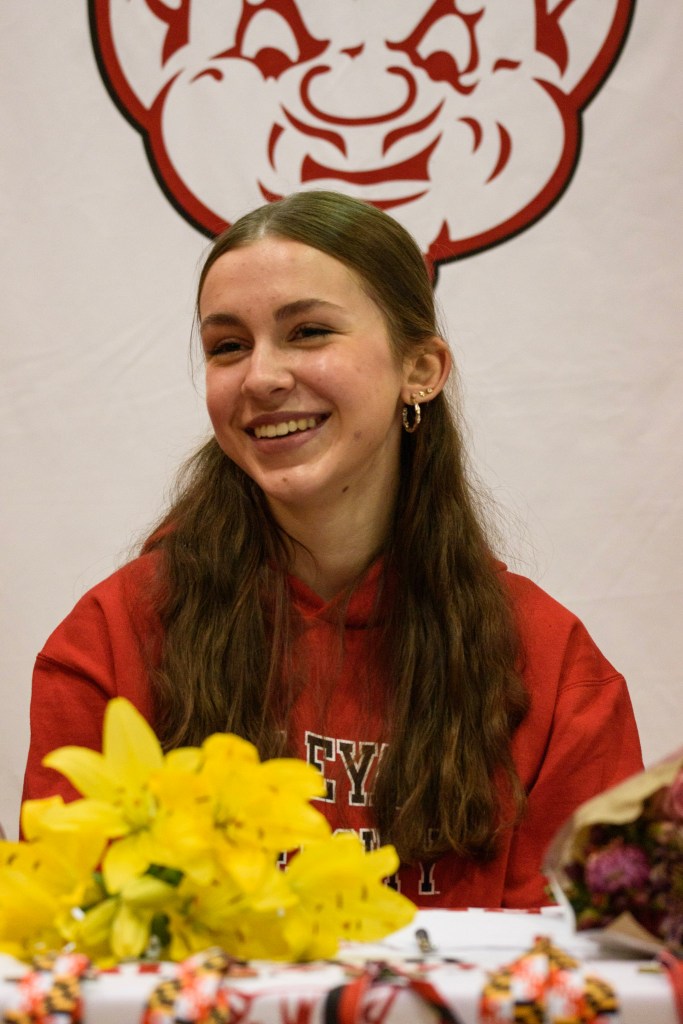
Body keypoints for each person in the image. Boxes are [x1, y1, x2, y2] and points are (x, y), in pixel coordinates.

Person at [22, 190, 642, 907]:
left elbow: (594, 957)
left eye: (309, 332)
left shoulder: (554, 668)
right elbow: (66, 939)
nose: (261, 376)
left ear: (421, 370)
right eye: (228, 346)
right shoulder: (110, 640)